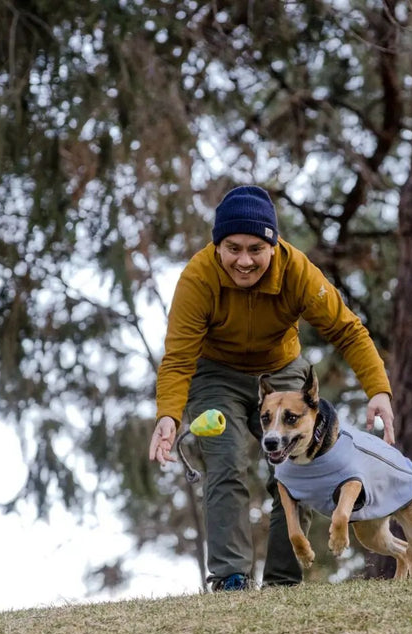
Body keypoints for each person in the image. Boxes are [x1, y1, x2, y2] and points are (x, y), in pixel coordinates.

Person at [148, 185, 394, 591]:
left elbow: (347, 330)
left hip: (280, 370)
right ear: (218, 246)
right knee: (225, 462)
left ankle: (283, 581)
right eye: (233, 249)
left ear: (273, 246)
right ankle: (230, 578)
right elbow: (178, 358)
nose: (244, 261)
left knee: (295, 466)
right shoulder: (198, 278)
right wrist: (168, 416)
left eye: (255, 249)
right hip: (217, 375)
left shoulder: (296, 272)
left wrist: (378, 389)